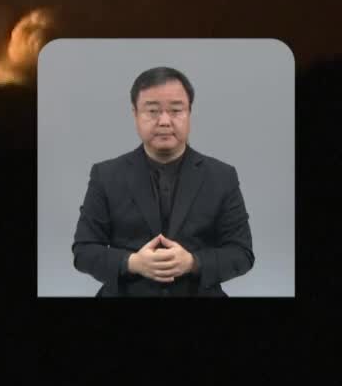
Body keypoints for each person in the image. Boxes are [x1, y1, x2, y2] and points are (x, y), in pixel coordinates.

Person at [70, 66, 255, 296]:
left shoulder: (222, 176)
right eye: (153, 111)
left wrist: (192, 262)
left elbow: (242, 253)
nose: (165, 121)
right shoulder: (106, 175)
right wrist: (132, 263)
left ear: (190, 113)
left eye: (176, 110)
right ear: (135, 114)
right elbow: (83, 251)